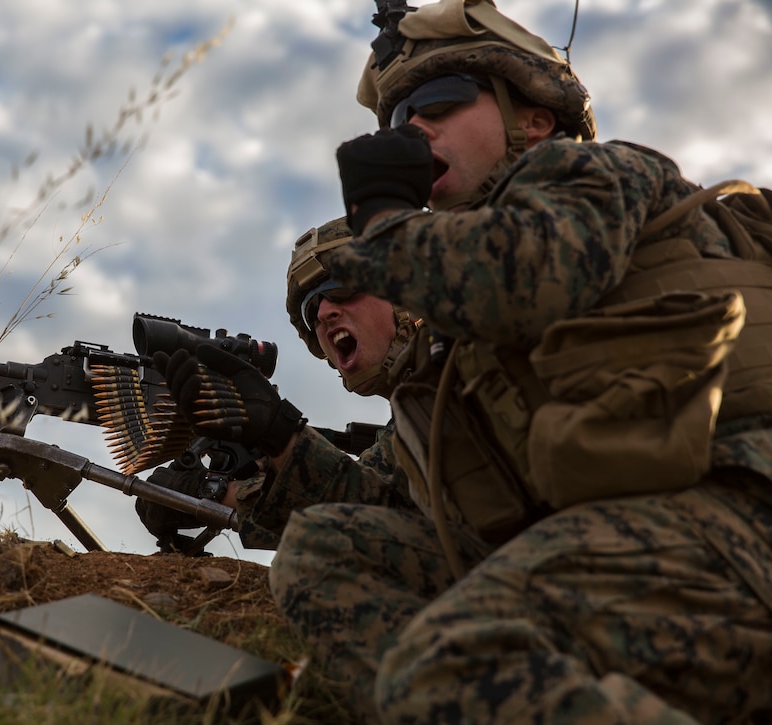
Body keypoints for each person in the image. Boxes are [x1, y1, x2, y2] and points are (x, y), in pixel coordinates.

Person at [266, 0, 772, 723]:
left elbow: (534, 270)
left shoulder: (592, 174)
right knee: (323, 550)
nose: (411, 126)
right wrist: (275, 448)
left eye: (435, 102)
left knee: (449, 659)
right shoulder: (460, 341)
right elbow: (419, 506)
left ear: (531, 117)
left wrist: (385, 225)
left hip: (737, 514)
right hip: (624, 540)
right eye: (397, 115)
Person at [136, 217, 426, 552]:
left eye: (344, 285)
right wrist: (272, 452)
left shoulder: (468, 375)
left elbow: (371, 521)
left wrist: (212, 491)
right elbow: (358, 502)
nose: (324, 313)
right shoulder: (414, 414)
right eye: (311, 308)